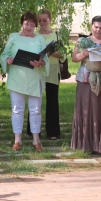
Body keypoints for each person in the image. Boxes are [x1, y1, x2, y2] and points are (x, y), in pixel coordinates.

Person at [0, 11, 49, 152]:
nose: (29, 27)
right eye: (27, 24)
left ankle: (36, 140)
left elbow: (44, 57)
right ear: (22, 23)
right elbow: (4, 54)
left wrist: (41, 63)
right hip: (17, 78)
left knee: (36, 110)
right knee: (17, 110)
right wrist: (7, 59)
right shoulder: (13, 37)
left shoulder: (39, 39)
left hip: (34, 78)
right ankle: (17, 140)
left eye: (32, 25)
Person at [70, 15, 101, 155]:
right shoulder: (83, 41)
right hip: (86, 80)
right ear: (91, 26)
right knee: (87, 108)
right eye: (95, 27)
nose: (98, 30)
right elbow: (74, 58)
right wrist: (84, 53)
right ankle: (85, 143)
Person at [37, 9, 65, 140]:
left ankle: (53, 131)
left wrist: (48, 52)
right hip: (37, 71)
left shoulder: (56, 35)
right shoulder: (35, 35)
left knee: (52, 101)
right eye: (40, 20)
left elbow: (63, 54)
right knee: (35, 101)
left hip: (53, 71)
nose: (42, 22)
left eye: (45, 20)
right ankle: (33, 131)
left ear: (50, 20)